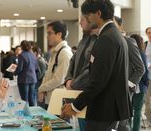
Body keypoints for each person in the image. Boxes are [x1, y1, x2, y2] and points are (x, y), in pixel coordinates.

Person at [61, 0, 132, 130]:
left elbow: (98, 81)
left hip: (105, 108)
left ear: (98, 13)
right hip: (109, 107)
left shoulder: (106, 38)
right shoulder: (113, 35)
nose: (86, 19)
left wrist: (75, 106)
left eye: (88, 15)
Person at [64, 14, 98, 131]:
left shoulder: (98, 40)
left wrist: (73, 83)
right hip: (76, 91)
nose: (80, 23)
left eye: (82, 20)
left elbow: (91, 69)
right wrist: (68, 79)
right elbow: (73, 60)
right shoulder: (83, 40)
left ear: (90, 21)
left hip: (88, 92)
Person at [114, 16, 145, 131]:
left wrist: (128, 85)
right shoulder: (106, 42)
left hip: (124, 91)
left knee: (122, 124)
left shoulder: (128, 41)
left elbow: (140, 68)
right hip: (109, 92)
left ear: (120, 26)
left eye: (113, 23)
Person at [38, 21, 73, 109]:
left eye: (50, 33)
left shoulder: (64, 53)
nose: (47, 36)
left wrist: (42, 88)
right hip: (52, 98)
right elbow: (48, 74)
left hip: (59, 100)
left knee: (59, 122)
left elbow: (59, 79)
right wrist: (43, 88)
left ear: (59, 34)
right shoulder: (56, 52)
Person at [130, 34, 149, 131]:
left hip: (129, 85)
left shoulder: (127, 53)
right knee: (137, 111)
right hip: (140, 86)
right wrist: (146, 84)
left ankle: (127, 129)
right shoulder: (142, 54)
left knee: (128, 111)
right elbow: (145, 71)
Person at [14, 40, 38, 106]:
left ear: (22, 46)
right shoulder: (33, 55)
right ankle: (32, 113)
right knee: (32, 98)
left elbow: (20, 68)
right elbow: (36, 67)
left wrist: (14, 72)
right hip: (33, 79)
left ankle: (26, 114)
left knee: (24, 99)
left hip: (24, 79)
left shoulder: (21, 55)